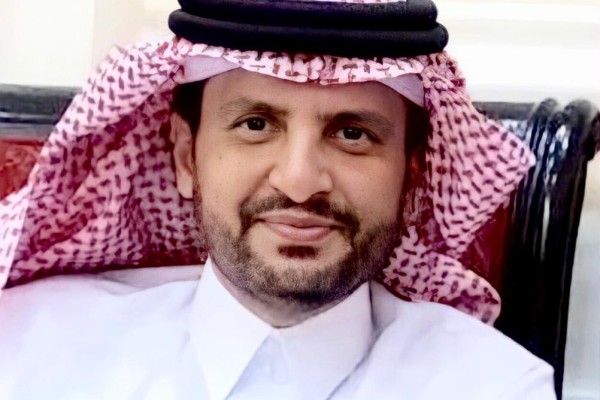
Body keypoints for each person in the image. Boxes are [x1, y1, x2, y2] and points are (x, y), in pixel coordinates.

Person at [0, 1, 556, 399]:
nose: (299, 182)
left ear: (412, 180)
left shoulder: (493, 386)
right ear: (186, 158)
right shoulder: (29, 343)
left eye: (353, 134)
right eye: (256, 124)